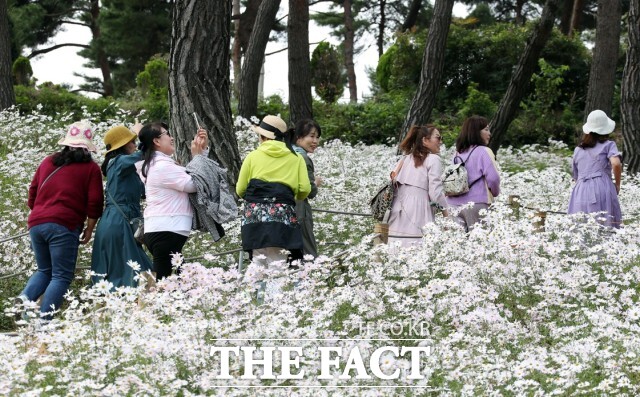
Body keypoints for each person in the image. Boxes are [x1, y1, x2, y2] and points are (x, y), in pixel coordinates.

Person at [17, 120, 104, 321]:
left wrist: (41, 213)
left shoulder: (48, 161)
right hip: (64, 225)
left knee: (44, 270)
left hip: (37, 223)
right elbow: (95, 201)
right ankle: (44, 322)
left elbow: (33, 192)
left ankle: (25, 298)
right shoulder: (90, 168)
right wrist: (89, 228)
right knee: (61, 276)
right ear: (87, 146)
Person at [135, 122, 208, 280]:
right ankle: (146, 304)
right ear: (156, 141)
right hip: (166, 228)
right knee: (162, 279)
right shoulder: (161, 166)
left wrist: (200, 155)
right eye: (167, 134)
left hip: (165, 228)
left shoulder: (157, 164)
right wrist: (197, 157)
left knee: (179, 274)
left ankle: (174, 301)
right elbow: (194, 184)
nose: (172, 137)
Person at [236, 115, 311, 266]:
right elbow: (305, 189)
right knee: (278, 264)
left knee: (257, 262)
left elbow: (240, 189)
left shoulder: (252, 156)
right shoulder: (296, 158)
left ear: (263, 136)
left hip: (255, 216)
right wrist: (290, 195)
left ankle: (251, 289)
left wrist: (258, 198)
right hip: (282, 215)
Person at [91, 125, 152, 288]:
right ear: (123, 146)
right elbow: (144, 153)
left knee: (122, 273)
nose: (134, 144)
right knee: (135, 272)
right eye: (132, 141)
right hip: (119, 222)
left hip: (118, 220)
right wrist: (141, 134)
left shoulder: (124, 168)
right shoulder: (118, 162)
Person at [387, 125, 449, 247]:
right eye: (438, 138)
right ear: (425, 140)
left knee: (396, 245)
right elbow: (435, 193)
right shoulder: (433, 159)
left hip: (398, 207)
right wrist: (446, 212)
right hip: (419, 207)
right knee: (417, 246)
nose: (441, 142)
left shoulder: (404, 159)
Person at [567, 109, 622, 228]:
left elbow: (576, 176)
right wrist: (617, 184)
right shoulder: (608, 145)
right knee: (606, 225)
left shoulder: (578, 150)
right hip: (602, 187)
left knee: (582, 227)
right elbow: (616, 164)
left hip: (581, 190)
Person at [446, 115, 501, 232]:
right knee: (480, 243)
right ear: (476, 132)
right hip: (477, 204)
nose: (489, 133)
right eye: (486, 129)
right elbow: (494, 178)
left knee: (458, 243)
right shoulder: (484, 151)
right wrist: (495, 193)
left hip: (453, 205)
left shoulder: (457, 153)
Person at [290, 119, 322, 258]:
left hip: (281, 211)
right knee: (308, 254)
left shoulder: (288, 154)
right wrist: (315, 183)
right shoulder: (303, 158)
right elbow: (310, 192)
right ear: (298, 137)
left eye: (317, 137)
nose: (315, 141)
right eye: (311, 136)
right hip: (299, 211)